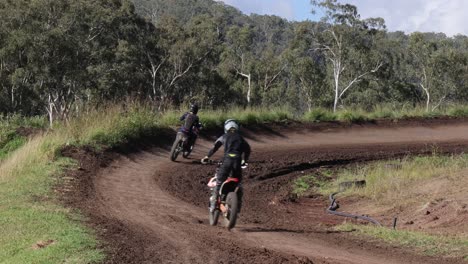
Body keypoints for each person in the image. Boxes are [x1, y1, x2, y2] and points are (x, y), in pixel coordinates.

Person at [201, 119, 251, 212]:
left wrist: (207, 156)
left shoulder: (224, 136)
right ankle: (238, 205)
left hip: (226, 161)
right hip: (237, 162)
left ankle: (213, 205)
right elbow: (248, 149)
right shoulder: (241, 138)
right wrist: (245, 160)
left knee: (219, 181)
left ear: (226, 128)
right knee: (238, 184)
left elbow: (214, 147)